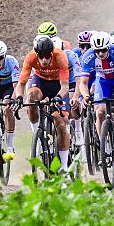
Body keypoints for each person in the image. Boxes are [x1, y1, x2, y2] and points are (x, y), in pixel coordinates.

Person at [78, 32, 114, 159]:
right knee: (100, 112)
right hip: (102, 81)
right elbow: (83, 83)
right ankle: (103, 145)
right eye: (97, 51)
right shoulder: (88, 57)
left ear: (109, 48)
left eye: (103, 50)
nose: (100, 54)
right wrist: (86, 96)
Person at [15, 36, 72, 169]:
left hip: (58, 85)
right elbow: (21, 84)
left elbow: (65, 86)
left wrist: (58, 97)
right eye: (41, 56)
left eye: (47, 56)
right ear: (36, 54)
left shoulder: (60, 56)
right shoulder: (31, 58)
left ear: (52, 53)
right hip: (41, 82)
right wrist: (18, 98)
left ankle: (63, 168)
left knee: (61, 124)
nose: (44, 60)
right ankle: (37, 134)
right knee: (31, 96)